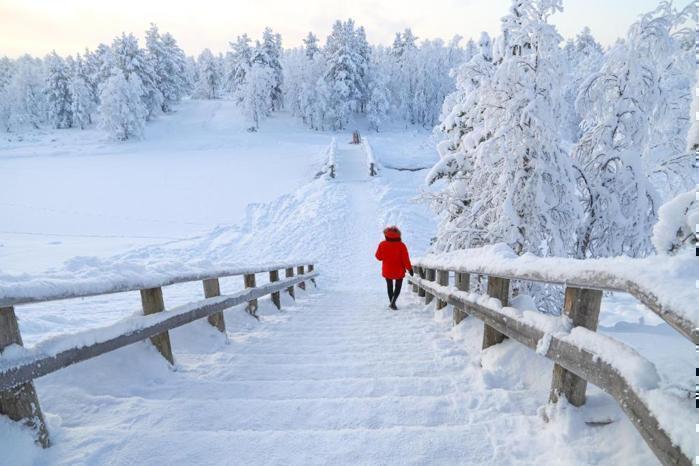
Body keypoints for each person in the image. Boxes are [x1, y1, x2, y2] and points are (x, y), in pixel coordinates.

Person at [375, 226, 413, 310]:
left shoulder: (382, 244)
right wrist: (410, 269)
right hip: (399, 270)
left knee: (389, 286)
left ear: (386, 235)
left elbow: (378, 257)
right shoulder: (402, 245)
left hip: (387, 270)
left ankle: (391, 303)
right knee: (398, 286)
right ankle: (393, 302)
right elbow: (405, 259)